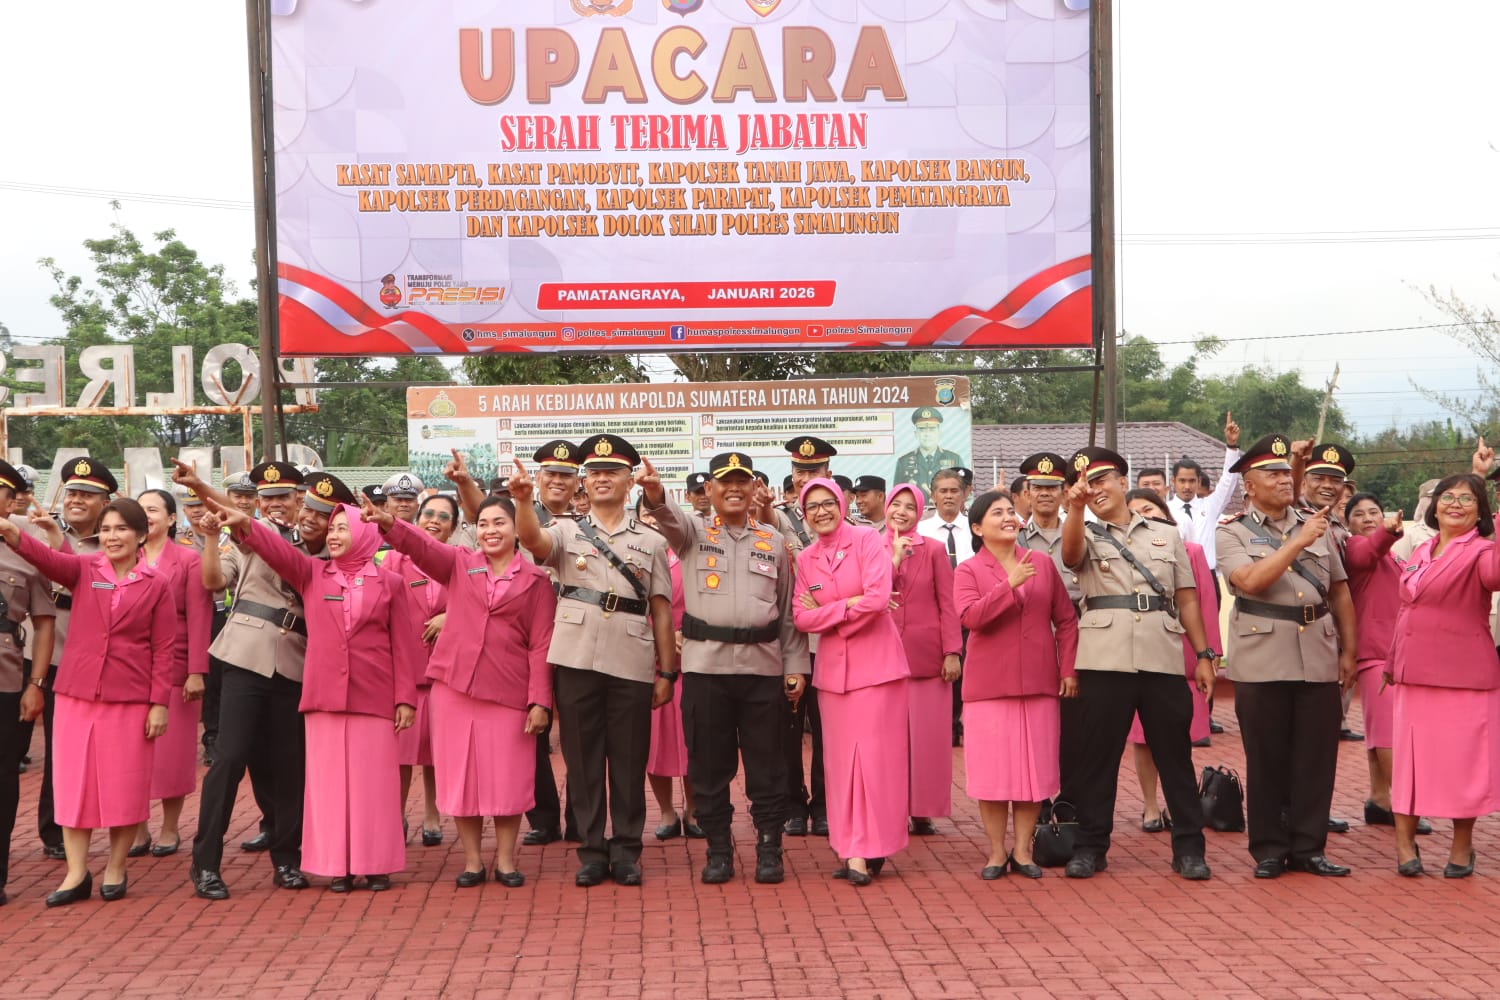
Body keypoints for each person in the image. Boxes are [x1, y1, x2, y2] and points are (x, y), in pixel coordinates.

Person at [207, 484, 419, 892]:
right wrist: (244, 524)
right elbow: (274, 549)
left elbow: (403, 646)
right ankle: (337, 864)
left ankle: (375, 864)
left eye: (343, 528)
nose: (335, 535)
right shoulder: (312, 572)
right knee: (329, 787)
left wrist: (405, 698)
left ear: (363, 533)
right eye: (333, 528)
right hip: (323, 697)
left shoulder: (389, 582)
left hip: (374, 696)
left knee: (374, 786)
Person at [510, 433, 676, 887]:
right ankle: (591, 850)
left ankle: (626, 850)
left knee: (627, 761)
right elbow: (532, 540)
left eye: (613, 472)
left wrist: (667, 671)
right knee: (582, 762)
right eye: (596, 473)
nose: (603, 479)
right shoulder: (566, 529)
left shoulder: (652, 541)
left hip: (631, 657)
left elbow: (660, 609)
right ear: (586, 481)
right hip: (577, 657)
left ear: (629, 482)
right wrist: (524, 502)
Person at [364, 492, 555, 887]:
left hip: (508, 692)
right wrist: (388, 523)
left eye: (499, 523)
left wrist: (540, 701)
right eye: (483, 524)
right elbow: (421, 546)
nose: (490, 531)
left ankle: (505, 860)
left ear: (517, 529)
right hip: (453, 689)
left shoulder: (536, 581)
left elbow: (541, 644)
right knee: (461, 777)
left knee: (507, 778)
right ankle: (472, 861)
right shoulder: (461, 563)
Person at [640, 451, 809, 883]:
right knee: (709, 765)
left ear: (754, 488)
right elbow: (668, 517)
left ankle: (770, 847)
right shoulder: (693, 533)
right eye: (724, 482)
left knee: (768, 765)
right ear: (710, 491)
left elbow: (788, 611)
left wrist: (795, 666)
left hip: (763, 669)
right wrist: (656, 493)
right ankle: (718, 849)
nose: (734, 489)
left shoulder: (773, 541)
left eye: (742, 481)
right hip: (707, 670)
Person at [0, 492, 175, 906]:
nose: (112, 537)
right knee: (73, 786)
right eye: (107, 530)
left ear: (140, 534)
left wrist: (159, 702)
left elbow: (165, 647)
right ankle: (76, 873)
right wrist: (12, 533)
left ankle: (116, 867)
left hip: (129, 698)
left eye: (121, 530)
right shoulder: (85, 568)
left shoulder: (156, 584)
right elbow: (48, 561)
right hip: (77, 695)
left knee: (123, 788)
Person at [1060, 447, 1218, 881]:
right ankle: (1090, 846)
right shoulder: (1082, 530)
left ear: (1121, 482)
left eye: (1102, 481)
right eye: (1086, 485)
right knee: (1098, 760)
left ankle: (1189, 848)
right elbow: (1071, 556)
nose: (1095, 491)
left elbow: (1186, 597)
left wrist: (1203, 655)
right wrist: (1074, 509)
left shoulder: (1165, 536)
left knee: (1175, 758)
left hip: (1161, 656)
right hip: (1103, 658)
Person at [178, 460, 323, 899]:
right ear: (258, 504)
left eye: (285, 498)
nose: (277, 505)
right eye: (268, 499)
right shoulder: (244, 540)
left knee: (288, 766)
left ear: (302, 500)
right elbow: (212, 581)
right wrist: (207, 533)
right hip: (244, 655)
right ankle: (205, 864)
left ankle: (287, 859)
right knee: (228, 760)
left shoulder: (319, 541)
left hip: (294, 661)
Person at [1216, 434, 1357, 879]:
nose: (1283, 479)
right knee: (1267, 757)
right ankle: (1270, 849)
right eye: (1272, 474)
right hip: (1262, 656)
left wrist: (1350, 650)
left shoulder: (1313, 522)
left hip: (1317, 649)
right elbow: (1250, 581)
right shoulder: (1231, 530)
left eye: (1284, 472)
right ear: (1249, 485)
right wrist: (1297, 543)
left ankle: (1309, 846)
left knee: (1316, 758)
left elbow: (1339, 589)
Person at [1387, 449, 1500, 878]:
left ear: (1480, 512)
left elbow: (1496, 576)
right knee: (1410, 762)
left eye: (1467, 498)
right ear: (1433, 507)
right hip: (1413, 674)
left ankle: (1461, 848)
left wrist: (1485, 481)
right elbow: (1407, 611)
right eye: (1447, 497)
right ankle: (1403, 844)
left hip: (1465, 676)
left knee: (1462, 766)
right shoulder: (1420, 550)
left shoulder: (1483, 551)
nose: (1455, 503)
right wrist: (1392, 662)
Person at [792, 477, 910, 886]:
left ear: (842, 505)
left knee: (875, 765)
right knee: (840, 767)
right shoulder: (805, 559)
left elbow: (879, 598)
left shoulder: (866, 540)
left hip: (877, 670)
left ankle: (868, 847)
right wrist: (849, 605)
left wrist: (830, 610)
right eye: (812, 507)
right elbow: (801, 618)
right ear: (804, 515)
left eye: (828, 503)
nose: (821, 512)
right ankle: (853, 847)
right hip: (833, 678)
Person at [955, 490, 1077, 878]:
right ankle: (995, 853)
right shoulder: (968, 570)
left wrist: (1068, 670)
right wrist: (1007, 585)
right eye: (997, 513)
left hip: (1039, 683)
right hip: (989, 686)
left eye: (1011, 511)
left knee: (1032, 774)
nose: (1008, 517)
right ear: (977, 527)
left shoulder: (1040, 561)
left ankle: (1023, 851)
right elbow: (971, 617)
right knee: (993, 775)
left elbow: (1067, 619)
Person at [33, 456, 116, 862]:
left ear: (106, 502)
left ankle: (54, 831)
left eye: (88, 494)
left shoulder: (114, 543)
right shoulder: (35, 529)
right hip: (28, 652)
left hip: (73, 657)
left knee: (59, 750)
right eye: (73, 492)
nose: (77, 499)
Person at [1122, 489, 1216, 831]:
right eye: (1136, 512)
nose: (1144, 516)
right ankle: (1149, 805)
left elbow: (1204, 603)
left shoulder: (1191, 551)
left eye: (1150, 508)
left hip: (1184, 654)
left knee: (1178, 737)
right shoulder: (1124, 552)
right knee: (1143, 738)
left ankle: (1179, 805)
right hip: (1141, 653)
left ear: (1166, 512)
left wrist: (1209, 655)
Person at [127, 489, 212, 859]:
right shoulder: (126, 557)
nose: (146, 516)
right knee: (133, 751)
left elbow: (198, 616)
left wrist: (196, 671)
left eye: (153, 510)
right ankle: (138, 828)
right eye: (140, 510)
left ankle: (170, 827)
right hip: (130, 669)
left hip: (177, 668)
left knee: (172, 754)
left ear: (172, 519)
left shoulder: (189, 560)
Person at [1343, 491, 1431, 835]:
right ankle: (1405, 806)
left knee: (1379, 735)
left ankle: (1379, 799)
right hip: (1375, 653)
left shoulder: (1392, 558)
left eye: (1373, 512)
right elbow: (1369, 549)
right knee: (1388, 737)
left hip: (1394, 654)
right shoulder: (1354, 550)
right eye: (1359, 514)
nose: (1367, 518)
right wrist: (1388, 532)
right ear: (1347, 522)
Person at [884, 483, 961, 835]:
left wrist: (952, 651)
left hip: (927, 659)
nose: (901, 512)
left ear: (920, 512)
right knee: (890, 740)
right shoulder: (870, 547)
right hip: (882, 658)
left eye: (909, 507)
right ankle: (892, 807)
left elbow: (948, 603)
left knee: (927, 740)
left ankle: (922, 809)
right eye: (895, 505)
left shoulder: (933, 549)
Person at [381, 492, 455, 849]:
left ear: (453, 527)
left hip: (444, 673)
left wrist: (450, 616)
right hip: (405, 671)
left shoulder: (459, 563)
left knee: (436, 753)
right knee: (402, 753)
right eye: (429, 513)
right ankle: (393, 815)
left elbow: (479, 600)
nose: (434, 520)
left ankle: (432, 814)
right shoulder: (394, 560)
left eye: (444, 516)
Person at [0, 459, 55, 906]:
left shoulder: (25, 549)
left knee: (3, 775)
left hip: (7, 678)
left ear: (10, 500)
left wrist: (36, 682)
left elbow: (44, 622)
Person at [633, 495, 700, 844]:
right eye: (645, 514)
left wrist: (686, 631)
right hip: (648, 659)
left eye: (657, 515)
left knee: (691, 741)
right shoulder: (632, 555)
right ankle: (666, 812)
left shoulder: (690, 553)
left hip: (690, 656)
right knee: (654, 744)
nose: (652, 520)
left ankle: (693, 810)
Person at [781, 435, 837, 837]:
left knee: (827, 731)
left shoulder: (849, 526)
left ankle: (823, 805)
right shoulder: (772, 521)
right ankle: (792, 805)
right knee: (784, 729)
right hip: (786, 644)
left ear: (828, 475)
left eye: (814, 471)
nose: (806, 479)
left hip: (828, 645)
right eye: (800, 472)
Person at [893, 407, 962, 502]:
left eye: (932, 429)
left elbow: (965, 493)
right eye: (922, 429)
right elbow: (897, 496)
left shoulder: (955, 459)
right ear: (916, 434)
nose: (927, 434)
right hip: (916, 514)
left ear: (939, 433)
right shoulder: (903, 462)